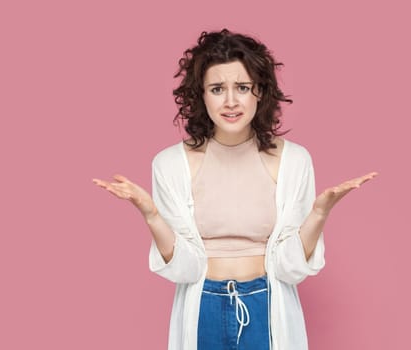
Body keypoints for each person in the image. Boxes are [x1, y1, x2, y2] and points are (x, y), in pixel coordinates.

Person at [93, 29, 377, 350]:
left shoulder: (293, 160)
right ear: (200, 95)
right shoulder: (171, 164)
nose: (230, 101)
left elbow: (289, 267)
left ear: (260, 92)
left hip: (266, 306)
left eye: (242, 87)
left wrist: (320, 213)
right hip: (204, 307)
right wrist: (152, 216)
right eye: (217, 89)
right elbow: (185, 268)